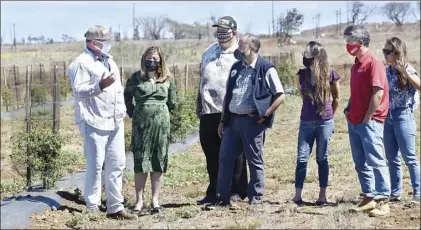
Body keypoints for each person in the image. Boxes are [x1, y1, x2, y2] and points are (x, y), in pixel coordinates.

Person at [206, 33, 285, 209]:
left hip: (252, 123)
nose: (238, 49)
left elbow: (280, 95)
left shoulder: (265, 68)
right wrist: (222, 121)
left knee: (254, 160)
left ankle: (256, 199)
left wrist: (265, 114)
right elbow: (228, 95)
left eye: (242, 46)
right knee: (225, 159)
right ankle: (222, 199)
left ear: (253, 48)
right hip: (232, 122)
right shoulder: (236, 67)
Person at [68, 25, 136, 220]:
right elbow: (79, 91)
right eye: (105, 41)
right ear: (93, 42)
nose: (108, 44)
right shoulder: (81, 63)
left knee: (117, 163)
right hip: (94, 119)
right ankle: (92, 207)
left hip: (115, 119)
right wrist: (99, 86)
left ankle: (115, 206)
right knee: (96, 165)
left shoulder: (109, 61)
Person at [195, 16, 248, 205]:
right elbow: (202, 79)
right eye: (218, 30)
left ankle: (237, 191)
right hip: (209, 110)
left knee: (235, 154)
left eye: (224, 30)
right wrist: (198, 102)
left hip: (232, 111)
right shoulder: (209, 51)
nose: (221, 34)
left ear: (234, 31)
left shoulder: (240, 53)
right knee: (211, 153)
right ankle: (214, 190)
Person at [343, 25, 391, 217]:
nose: (347, 45)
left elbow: (377, 92)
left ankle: (383, 201)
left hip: (369, 122)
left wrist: (368, 116)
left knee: (376, 160)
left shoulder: (373, 63)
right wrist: (348, 108)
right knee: (360, 162)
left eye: (349, 41)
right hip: (355, 121)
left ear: (360, 42)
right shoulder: (356, 64)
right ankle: (369, 197)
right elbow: (356, 92)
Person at [124, 46, 176, 214]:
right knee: (140, 161)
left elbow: (172, 103)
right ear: (143, 59)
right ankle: (139, 200)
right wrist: (134, 112)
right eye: (148, 58)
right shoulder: (135, 78)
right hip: (140, 125)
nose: (151, 61)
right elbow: (127, 98)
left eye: (155, 58)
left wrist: (160, 112)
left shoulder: (168, 79)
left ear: (161, 60)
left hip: (161, 126)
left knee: (158, 160)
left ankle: (155, 200)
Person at [292, 41, 341, 206]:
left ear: (318, 57)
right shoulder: (301, 74)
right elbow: (302, 96)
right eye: (304, 55)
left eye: (309, 55)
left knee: (322, 158)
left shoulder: (331, 75)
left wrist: (329, 117)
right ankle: (297, 196)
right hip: (306, 122)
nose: (305, 58)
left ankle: (322, 196)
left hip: (324, 123)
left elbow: (337, 99)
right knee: (301, 158)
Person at [382, 37, 420, 204]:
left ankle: (418, 192)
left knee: (409, 157)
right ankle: (395, 192)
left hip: (403, 115)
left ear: (396, 53)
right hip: (388, 118)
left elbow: (419, 86)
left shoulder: (408, 69)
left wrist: (405, 73)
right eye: (384, 51)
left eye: (388, 51)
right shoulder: (385, 71)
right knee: (392, 158)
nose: (385, 54)